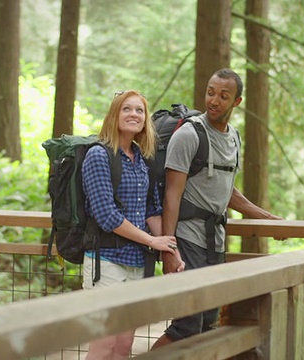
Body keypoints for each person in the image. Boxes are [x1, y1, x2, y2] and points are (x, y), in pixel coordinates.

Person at [152, 69, 284, 349]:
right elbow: (172, 196)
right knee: (186, 327)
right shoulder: (189, 135)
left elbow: (227, 191)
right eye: (210, 92)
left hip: (215, 242)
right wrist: (168, 250)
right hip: (187, 240)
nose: (214, 100)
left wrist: (268, 219)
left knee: (207, 322)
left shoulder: (234, 137)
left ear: (236, 102)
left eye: (223, 96)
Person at [81, 89, 178, 360]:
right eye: (127, 108)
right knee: (103, 347)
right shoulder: (98, 156)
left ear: (145, 119)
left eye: (139, 110)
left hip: (137, 264)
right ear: (114, 114)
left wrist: (170, 249)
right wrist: (151, 241)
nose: (133, 114)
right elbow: (107, 216)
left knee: (123, 348)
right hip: (106, 263)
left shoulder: (142, 160)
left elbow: (152, 210)